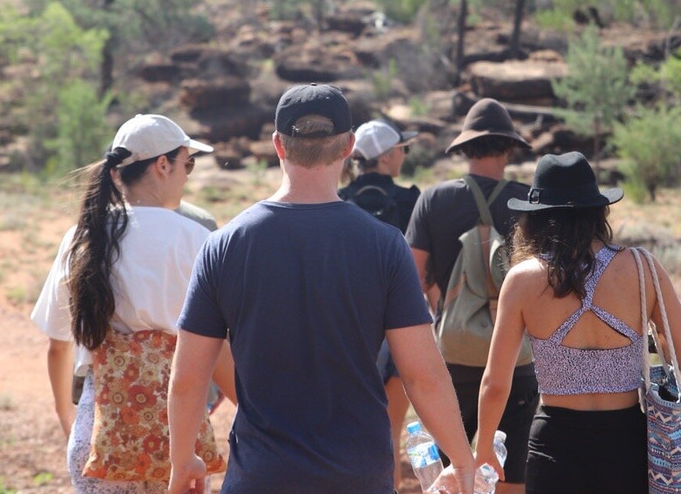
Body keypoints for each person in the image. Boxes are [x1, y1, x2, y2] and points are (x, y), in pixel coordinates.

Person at [168, 83, 475, 494]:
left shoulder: (225, 245)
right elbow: (424, 377)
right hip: (357, 475)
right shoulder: (385, 245)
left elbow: (189, 377)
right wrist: (461, 459)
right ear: (349, 146)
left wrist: (182, 459)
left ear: (278, 145)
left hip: (262, 477)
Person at [474, 152, 681, 494]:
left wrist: (482, 450)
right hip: (627, 443)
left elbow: (495, 384)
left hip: (555, 444)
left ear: (536, 219)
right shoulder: (642, 267)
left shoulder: (523, 280)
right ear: (599, 211)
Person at [31, 113, 235, 494]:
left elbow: (58, 346)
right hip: (175, 442)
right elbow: (219, 348)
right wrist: (257, 416)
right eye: (186, 163)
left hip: (97, 436)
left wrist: (67, 416)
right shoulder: (197, 240)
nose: (187, 174)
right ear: (163, 165)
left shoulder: (82, 238)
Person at [405, 97, 536, 494]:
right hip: (516, 356)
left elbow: (413, 275)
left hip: (454, 354)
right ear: (509, 147)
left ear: (464, 147)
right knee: (513, 474)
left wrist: (442, 307)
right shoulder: (529, 200)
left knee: (453, 476)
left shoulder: (435, 199)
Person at [339, 118, 422, 490]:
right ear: (387, 156)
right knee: (390, 423)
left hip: (344, 324)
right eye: (403, 149)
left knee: (343, 418)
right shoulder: (411, 201)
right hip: (400, 323)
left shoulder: (337, 201)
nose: (404, 154)